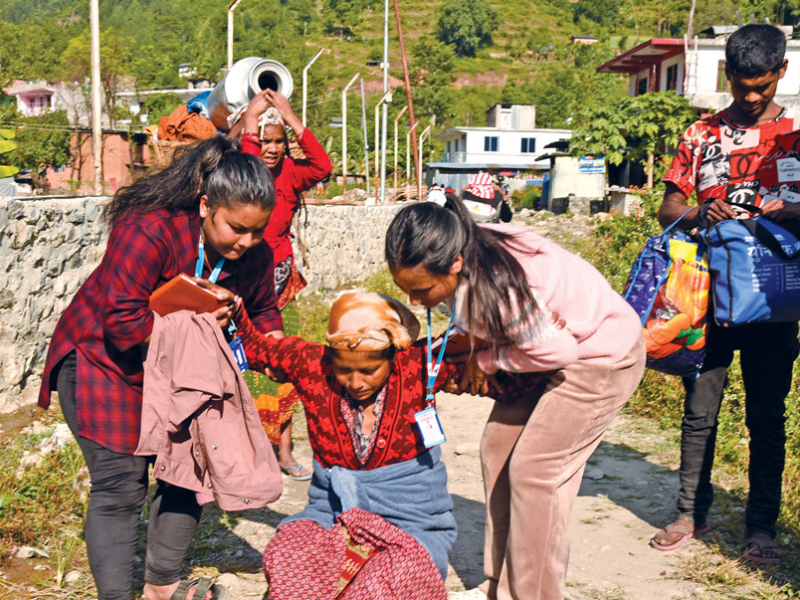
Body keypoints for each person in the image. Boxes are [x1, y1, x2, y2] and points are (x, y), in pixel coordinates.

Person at [37, 136, 284, 600]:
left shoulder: (254, 253)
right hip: (104, 362)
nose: (247, 242)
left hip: (183, 377)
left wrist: (287, 355)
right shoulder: (149, 229)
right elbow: (123, 323)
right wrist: (193, 325)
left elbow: (266, 314)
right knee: (120, 486)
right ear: (207, 204)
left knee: (187, 476)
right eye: (236, 228)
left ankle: (161, 588)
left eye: (258, 231)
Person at [385, 196, 646, 600]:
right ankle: (499, 586)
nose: (416, 301)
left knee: (535, 471)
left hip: (601, 356)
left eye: (421, 290)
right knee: (498, 449)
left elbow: (560, 352)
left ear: (454, 263)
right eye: (405, 291)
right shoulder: (465, 249)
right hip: (545, 347)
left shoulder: (498, 283)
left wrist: (486, 360)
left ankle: (534, 594)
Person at [201, 289, 541, 599]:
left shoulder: (420, 368)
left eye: (369, 369)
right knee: (288, 554)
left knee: (383, 584)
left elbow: (505, 381)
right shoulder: (311, 365)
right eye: (344, 369)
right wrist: (232, 312)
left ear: (392, 355)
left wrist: (490, 361)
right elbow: (258, 350)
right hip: (333, 517)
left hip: (411, 524)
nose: (355, 382)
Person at [651, 24, 799, 564]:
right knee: (699, 410)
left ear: (781, 71)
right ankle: (690, 512)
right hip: (706, 299)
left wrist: (793, 211)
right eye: (741, 86)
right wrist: (696, 211)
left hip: (775, 301)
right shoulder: (700, 134)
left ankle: (760, 529)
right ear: (728, 76)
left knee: (766, 414)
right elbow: (669, 208)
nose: (751, 97)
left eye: (761, 86)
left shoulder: (798, 132)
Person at [239, 88, 333, 481]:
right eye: (265, 141)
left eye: (279, 142)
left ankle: (284, 450)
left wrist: (291, 117)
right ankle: (248, 455)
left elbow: (323, 166)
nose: (272, 149)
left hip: (282, 288)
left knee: (285, 363)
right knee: (246, 370)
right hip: (246, 286)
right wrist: (249, 123)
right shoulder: (247, 173)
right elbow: (242, 158)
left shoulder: (293, 174)